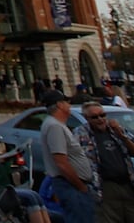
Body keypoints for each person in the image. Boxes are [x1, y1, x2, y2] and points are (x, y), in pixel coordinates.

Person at [76, 99, 134, 223]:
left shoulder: (116, 129)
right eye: (95, 117)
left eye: (102, 115)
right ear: (87, 118)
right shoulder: (81, 134)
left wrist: (121, 135)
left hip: (128, 184)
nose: (100, 119)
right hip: (105, 187)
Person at [40, 90, 96, 223]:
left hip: (72, 185)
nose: (69, 105)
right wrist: (80, 186)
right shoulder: (54, 126)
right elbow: (61, 162)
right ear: (59, 105)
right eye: (67, 102)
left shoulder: (57, 125)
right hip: (71, 186)